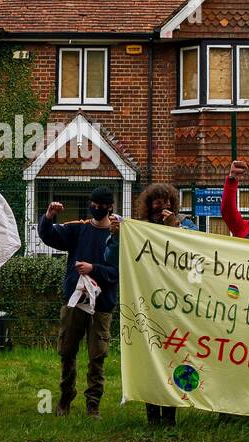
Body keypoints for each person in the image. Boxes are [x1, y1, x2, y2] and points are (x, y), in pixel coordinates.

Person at [38, 187, 120, 419]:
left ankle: (93, 405)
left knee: (97, 356)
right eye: (92, 203)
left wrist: (93, 269)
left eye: (100, 204)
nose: (95, 208)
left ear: (110, 207)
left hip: (101, 305)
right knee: (67, 351)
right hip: (74, 302)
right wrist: (49, 217)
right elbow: (49, 236)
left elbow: (117, 272)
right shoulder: (78, 229)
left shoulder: (117, 235)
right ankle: (66, 397)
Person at [112, 182, 184, 426]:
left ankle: (170, 416)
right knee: (150, 359)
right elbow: (112, 258)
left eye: (167, 202)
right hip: (146, 305)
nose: (162, 206)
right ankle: (152, 416)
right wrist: (115, 237)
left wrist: (173, 228)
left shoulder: (185, 226)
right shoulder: (138, 230)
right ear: (148, 204)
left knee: (173, 359)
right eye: (157, 201)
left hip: (175, 307)